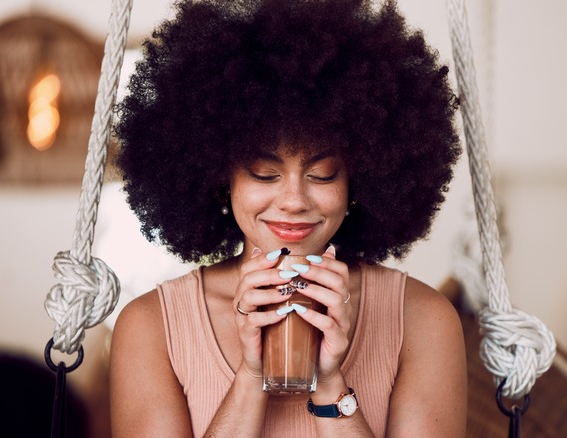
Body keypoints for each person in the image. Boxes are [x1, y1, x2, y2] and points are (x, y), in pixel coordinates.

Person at [108, 0, 467, 436]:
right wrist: (250, 374)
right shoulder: (151, 328)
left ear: (362, 179)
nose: (294, 200)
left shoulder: (423, 321)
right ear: (222, 179)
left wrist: (331, 382)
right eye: (264, 173)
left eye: (322, 173)